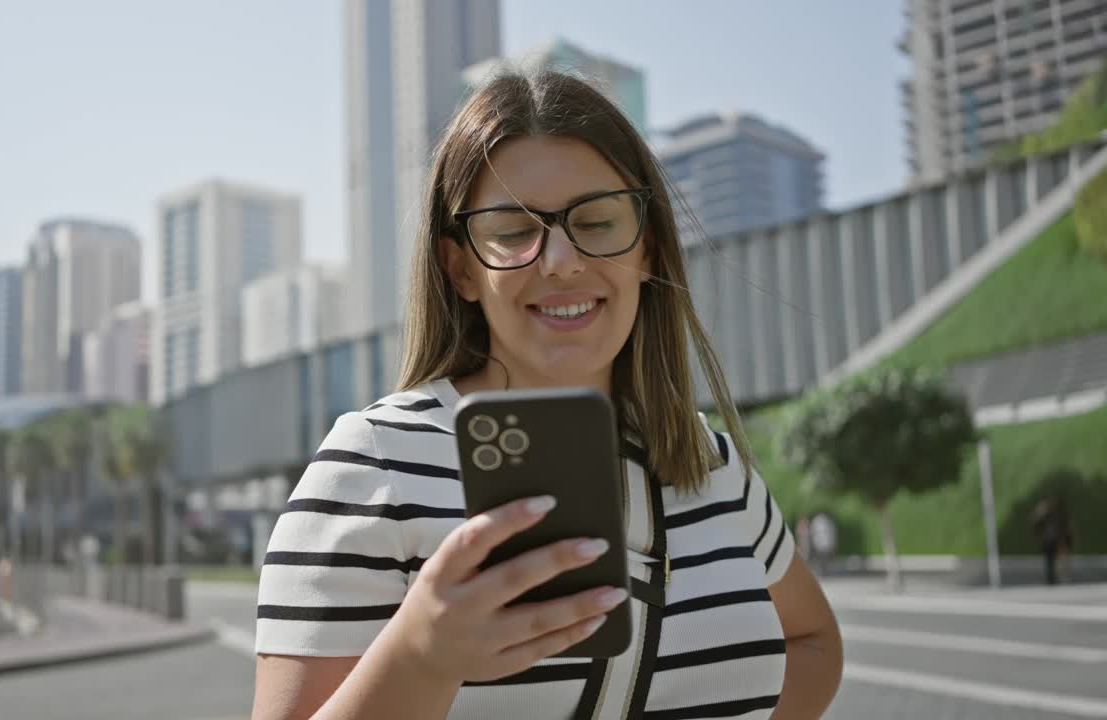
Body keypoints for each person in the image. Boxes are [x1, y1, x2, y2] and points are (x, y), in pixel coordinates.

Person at [252, 70, 843, 720]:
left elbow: (813, 641)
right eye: (512, 231)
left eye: (596, 221)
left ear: (647, 248)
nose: (559, 259)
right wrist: (422, 654)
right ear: (461, 269)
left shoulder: (714, 464)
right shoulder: (372, 465)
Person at [1031, 497, 1073, 585]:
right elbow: (1035, 525)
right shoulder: (1044, 516)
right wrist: (1038, 512)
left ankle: (1062, 578)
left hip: (1058, 542)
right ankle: (1051, 579)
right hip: (1048, 543)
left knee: (1060, 561)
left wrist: (1065, 541)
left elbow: (1066, 529)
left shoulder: (1060, 515)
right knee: (1049, 561)